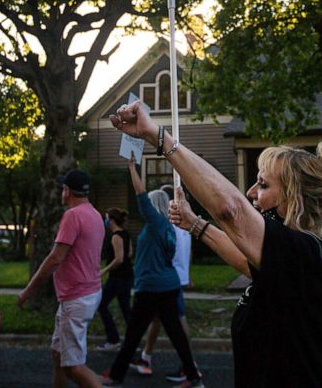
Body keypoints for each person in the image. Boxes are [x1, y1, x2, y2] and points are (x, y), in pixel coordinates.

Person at [112, 100, 322, 387]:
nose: (252, 192)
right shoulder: (292, 257)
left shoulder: (307, 254)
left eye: (263, 185)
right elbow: (245, 261)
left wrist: (156, 135)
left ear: (294, 197)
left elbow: (231, 209)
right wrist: (195, 224)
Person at [101, 159, 201, 387]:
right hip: (167, 285)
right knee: (174, 334)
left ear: (154, 206)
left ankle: (116, 375)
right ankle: (193, 377)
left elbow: (141, 194)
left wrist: (131, 169)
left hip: (152, 287)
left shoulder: (157, 223)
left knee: (134, 334)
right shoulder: (164, 227)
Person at [18, 169, 105, 388]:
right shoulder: (94, 214)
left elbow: (56, 258)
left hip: (77, 298)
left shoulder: (73, 215)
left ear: (67, 191)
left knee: (72, 366)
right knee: (58, 354)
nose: (61, 192)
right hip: (86, 294)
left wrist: (29, 290)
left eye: (62, 188)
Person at [139, 184, 194, 382]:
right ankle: (146, 356)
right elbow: (186, 253)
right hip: (176, 278)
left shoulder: (168, 227)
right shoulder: (183, 227)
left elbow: (167, 254)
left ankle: (189, 366)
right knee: (156, 319)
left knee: (179, 320)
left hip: (167, 281)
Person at [97, 208, 132, 353]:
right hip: (127, 276)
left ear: (111, 220)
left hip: (118, 278)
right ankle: (132, 341)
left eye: (106, 218)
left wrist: (104, 270)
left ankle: (113, 339)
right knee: (125, 309)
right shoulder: (126, 234)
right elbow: (130, 253)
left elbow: (119, 258)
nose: (105, 221)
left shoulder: (116, 236)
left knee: (102, 304)